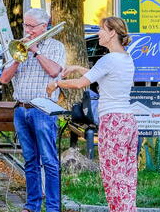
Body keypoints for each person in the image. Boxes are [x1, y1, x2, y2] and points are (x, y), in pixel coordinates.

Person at [47, 17, 136, 212]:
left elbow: (81, 83)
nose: (98, 33)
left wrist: (57, 83)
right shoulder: (124, 58)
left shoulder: (109, 59)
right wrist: (78, 68)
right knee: (126, 176)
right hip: (127, 121)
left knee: (114, 176)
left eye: (101, 29)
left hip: (113, 121)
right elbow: (101, 75)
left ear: (112, 33)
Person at [0, 8, 65, 212]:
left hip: (43, 110)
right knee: (30, 161)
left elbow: (55, 71)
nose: (26, 30)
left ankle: (53, 207)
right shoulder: (17, 47)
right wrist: (18, 59)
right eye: (25, 25)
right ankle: (32, 205)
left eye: (31, 26)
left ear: (43, 26)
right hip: (22, 109)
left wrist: (36, 52)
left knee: (49, 160)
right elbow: (3, 78)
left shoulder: (55, 46)